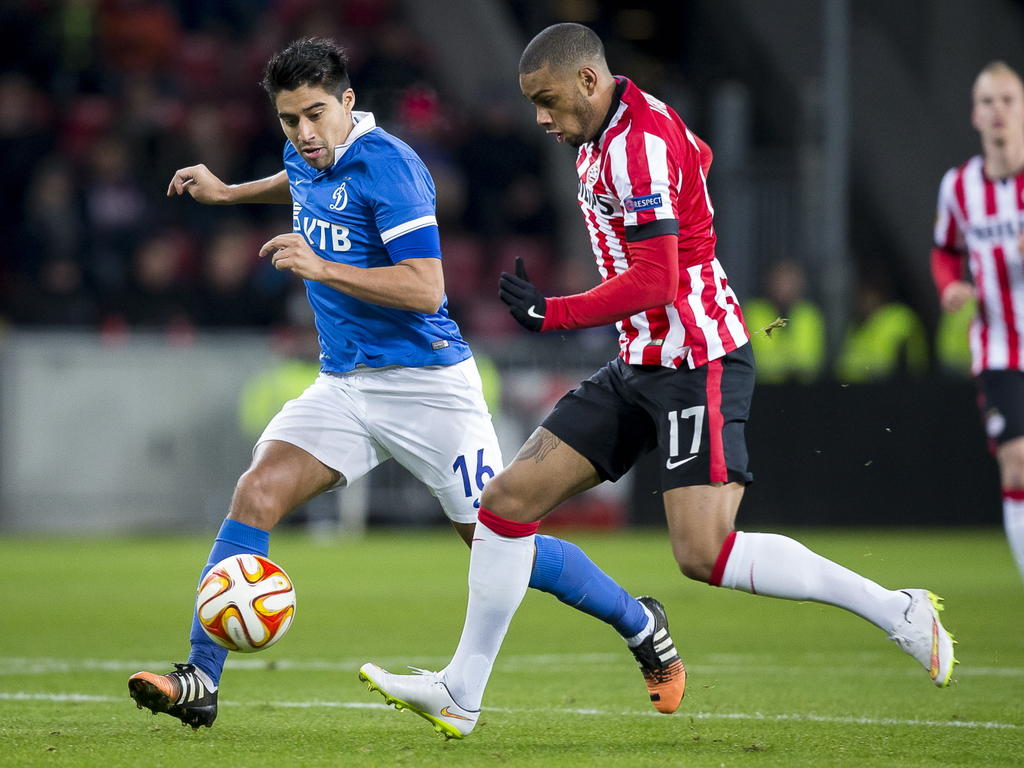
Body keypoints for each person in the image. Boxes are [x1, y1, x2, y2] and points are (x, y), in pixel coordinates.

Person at [360, 23, 958, 740]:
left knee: (703, 553)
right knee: (506, 503)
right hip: (639, 362)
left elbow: (658, 276)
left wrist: (556, 313)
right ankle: (461, 690)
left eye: (547, 100)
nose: (541, 119)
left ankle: (898, 610)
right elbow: (697, 158)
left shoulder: (637, 144)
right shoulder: (617, 133)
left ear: (588, 80)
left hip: (697, 361)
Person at [127, 37, 681, 731]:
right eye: (289, 120)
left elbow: (427, 289)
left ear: (349, 103)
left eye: (316, 115)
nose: (303, 134)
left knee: (498, 543)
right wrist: (230, 191)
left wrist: (322, 269)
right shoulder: (307, 154)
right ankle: (200, 678)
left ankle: (640, 622)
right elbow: (298, 180)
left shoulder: (391, 169)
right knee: (257, 490)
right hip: (347, 385)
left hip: (428, 388)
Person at [932, 60, 1024, 586]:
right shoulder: (959, 186)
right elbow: (944, 251)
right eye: (987, 101)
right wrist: (950, 286)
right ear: (974, 113)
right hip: (998, 346)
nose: (997, 111)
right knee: (1015, 463)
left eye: (1007, 100)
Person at [743, 259, 825, 384]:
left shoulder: (809, 314)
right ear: (769, 282)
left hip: (804, 389)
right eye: (780, 281)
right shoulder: (755, 312)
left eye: (789, 282)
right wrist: (791, 363)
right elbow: (761, 359)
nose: (784, 287)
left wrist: (786, 363)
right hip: (763, 388)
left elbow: (811, 360)